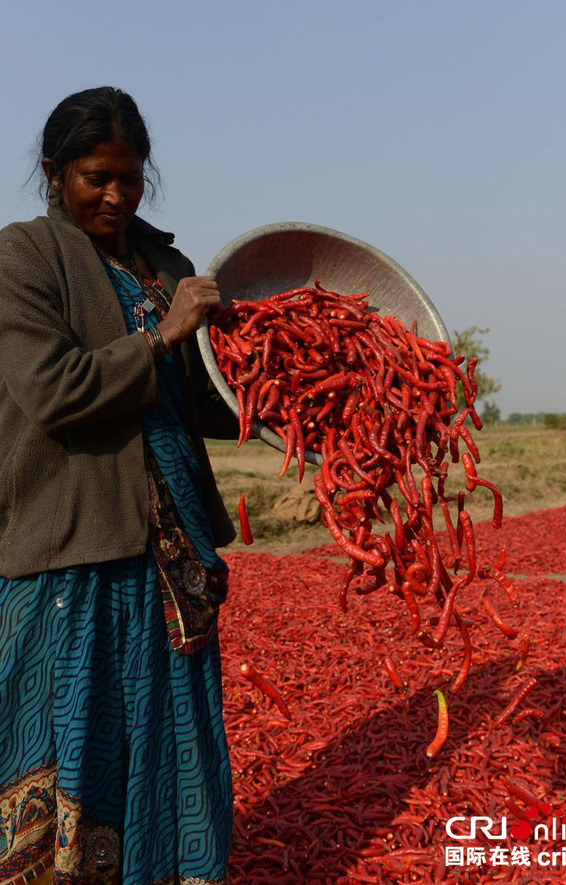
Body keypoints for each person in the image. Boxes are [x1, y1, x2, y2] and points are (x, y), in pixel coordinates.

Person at [0, 87, 240, 885]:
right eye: (96, 177)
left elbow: (198, 396)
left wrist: (269, 387)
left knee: (170, 723)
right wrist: (161, 333)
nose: (115, 196)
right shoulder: (23, 258)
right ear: (54, 171)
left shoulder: (162, 262)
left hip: (171, 548)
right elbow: (56, 390)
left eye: (131, 179)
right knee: (76, 720)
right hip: (74, 537)